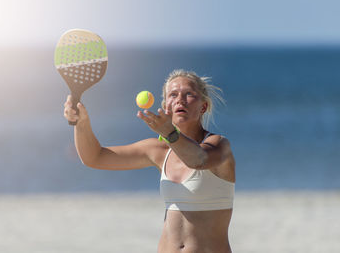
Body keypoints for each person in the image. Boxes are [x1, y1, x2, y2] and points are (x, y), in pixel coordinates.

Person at [63, 69, 236, 253]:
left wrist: (170, 133)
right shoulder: (159, 151)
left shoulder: (219, 145)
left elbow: (198, 160)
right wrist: (82, 124)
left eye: (189, 94)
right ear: (166, 107)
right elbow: (94, 157)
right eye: (173, 95)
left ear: (203, 106)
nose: (180, 99)